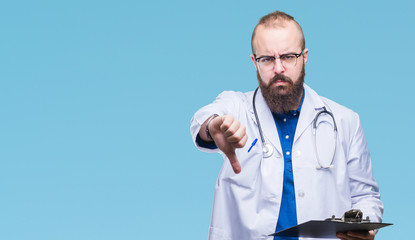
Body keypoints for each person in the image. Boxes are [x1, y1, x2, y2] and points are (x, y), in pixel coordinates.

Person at [190, 11, 383, 240]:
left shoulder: (345, 121)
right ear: (254, 62)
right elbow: (203, 118)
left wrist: (365, 226)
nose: (279, 68)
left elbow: (366, 196)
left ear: (304, 57)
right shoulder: (237, 107)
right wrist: (214, 126)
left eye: (288, 56)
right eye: (267, 59)